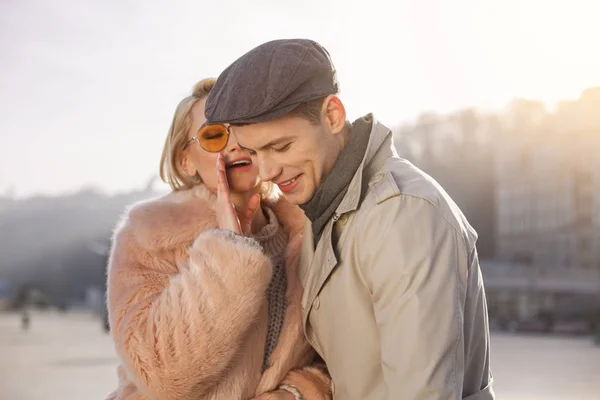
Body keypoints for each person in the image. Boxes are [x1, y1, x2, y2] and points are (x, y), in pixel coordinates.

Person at [203, 39, 495, 399]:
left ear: (333, 116)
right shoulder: (320, 208)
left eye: (280, 147)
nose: (266, 170)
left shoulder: (402, 216)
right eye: (251, 152)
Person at [105, 78, 332, 400]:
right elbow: (160, 377)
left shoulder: (307, 231)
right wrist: (228, 250)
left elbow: (339, 350)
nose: (235, 145)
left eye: (243, 129)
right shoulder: (148, 232)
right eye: (214, 135)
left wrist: (297, 393)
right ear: (186, 160)